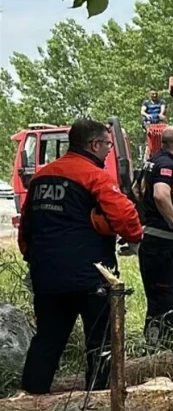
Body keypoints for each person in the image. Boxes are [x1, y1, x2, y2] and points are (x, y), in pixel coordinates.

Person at [18, 119, 144, 393]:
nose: (109, 151)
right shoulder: (94, 176)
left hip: (47, 276)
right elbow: (127, 218)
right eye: (108, 145)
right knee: (100, 343)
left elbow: (26, 229)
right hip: (91, 276)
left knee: (48, 339)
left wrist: (36, 260)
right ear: (94, 144)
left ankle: (30, 398)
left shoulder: (41, 177)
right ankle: (97, 403)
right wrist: (133, 236)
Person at [137, 125, 173, 351]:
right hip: (164, 244)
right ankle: (159, 350)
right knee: (166, 301)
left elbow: (135, 188)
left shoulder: (152, 162)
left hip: (152, 240)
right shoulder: (167, 165)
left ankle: (155, 347)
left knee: (156, 302)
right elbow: (161, 194)